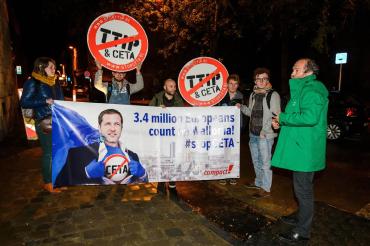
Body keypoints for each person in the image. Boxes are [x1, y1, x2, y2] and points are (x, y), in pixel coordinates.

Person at [271, 58, 328, 243]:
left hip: (305, 152)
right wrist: (281, 122)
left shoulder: (312, 91)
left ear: (308, 72)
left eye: (296, 69)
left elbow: (310, 117)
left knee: (303, 191)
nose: (292, 73)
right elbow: (297, 118)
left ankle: (303, 231)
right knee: (300, 188)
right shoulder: (302, 90)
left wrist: (283, 117)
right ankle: (300, 217)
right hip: (300, 149)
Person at [54, 109, 148, 187]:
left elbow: (143, 182)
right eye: (107, 124)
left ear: (121, 128)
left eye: (116, 124)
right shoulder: (77, 154)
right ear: (99, 128)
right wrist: (86, 173)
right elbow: (60, 183)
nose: (113, 128)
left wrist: (143, 173)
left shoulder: (133, 156)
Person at [20, 57, 64, 193]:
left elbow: (60, 101)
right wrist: (45, 101)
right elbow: (24, 102)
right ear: (41, 68)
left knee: (58, 152)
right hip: (44, 121)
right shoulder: (33, 82)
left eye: (54, 66)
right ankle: (48, 182)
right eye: (50, 67)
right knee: (49, 153)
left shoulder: (54, 83)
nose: (53, 69)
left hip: (57, 121)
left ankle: (55, 180)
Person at [237, 68, 281, 197]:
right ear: (255, 80)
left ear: (268, 80)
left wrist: (265, 131)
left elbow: (275, 116)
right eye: (258, 78)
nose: (261, 81)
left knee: (265, 162)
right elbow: (251, 112)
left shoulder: (273, 95)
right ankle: (258, 182)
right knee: (256, 161)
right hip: (253, 133)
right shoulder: (253, 94)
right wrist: (242, 108)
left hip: (265, 135)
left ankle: (266, 188)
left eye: (264, 78)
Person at [149, 78, 184, 194]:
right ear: (165, 87)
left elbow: (181, 115)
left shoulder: (178, 100)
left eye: (174, 86)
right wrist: (157, 110)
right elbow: (148, 112)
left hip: (174, 136)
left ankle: (172, 183)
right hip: (160, 135)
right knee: (161, 158)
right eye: (171, 86)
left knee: (174, 158)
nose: (173, 88)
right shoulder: (157, 98)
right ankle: (161, 181)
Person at [217, 74, 244, 186]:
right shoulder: (220, 96)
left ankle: (232, 175)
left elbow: (242, 113)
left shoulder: (240, 96)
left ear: (238, 85)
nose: (233, 86)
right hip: (222, 129)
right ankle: (223, 174)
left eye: (235, 84)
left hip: (235, 129)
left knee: (233, 153)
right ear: (227, 84)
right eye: (231, 83)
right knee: (223, 152)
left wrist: (240, 107)